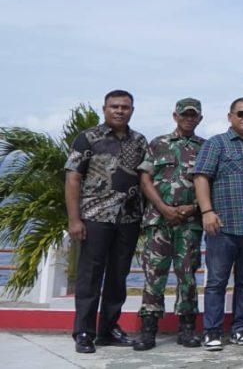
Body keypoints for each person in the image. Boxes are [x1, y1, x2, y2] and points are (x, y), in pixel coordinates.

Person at [65, 90, 148, 354]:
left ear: (132, 111)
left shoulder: (139, 141)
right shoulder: (88, 138)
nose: (120, 111)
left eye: (125, 107)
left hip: (129, 218)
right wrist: (74, 219)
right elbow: (73, 178)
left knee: (118, 276)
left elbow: (145, 179)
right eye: (115, 106)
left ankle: (109, 329)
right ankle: (84, 333)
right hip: (95, 218)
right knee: (90, 277)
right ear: (104, 109)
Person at [192, 97, 243, 352]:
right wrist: (207, 211)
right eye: (241, 113)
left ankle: (239, 329)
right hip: (222, 226)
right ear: (230, 116)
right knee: (216, 282)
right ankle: (212, 331)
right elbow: (201, 177)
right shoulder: (217, 144)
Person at [135, 98, 206, 351]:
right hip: (159, 219)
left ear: (199, 118)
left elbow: (209, 182)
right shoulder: (158, 144)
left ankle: (187, 328)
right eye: (184, 114)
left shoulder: (205, 148)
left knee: (187, 275)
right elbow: (145, 179)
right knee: (154, 275)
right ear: (175, 116)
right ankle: (148, 329)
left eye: (193, 115)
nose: (188, 118)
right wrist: (163, 208)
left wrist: (194, 206)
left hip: (190, 222)